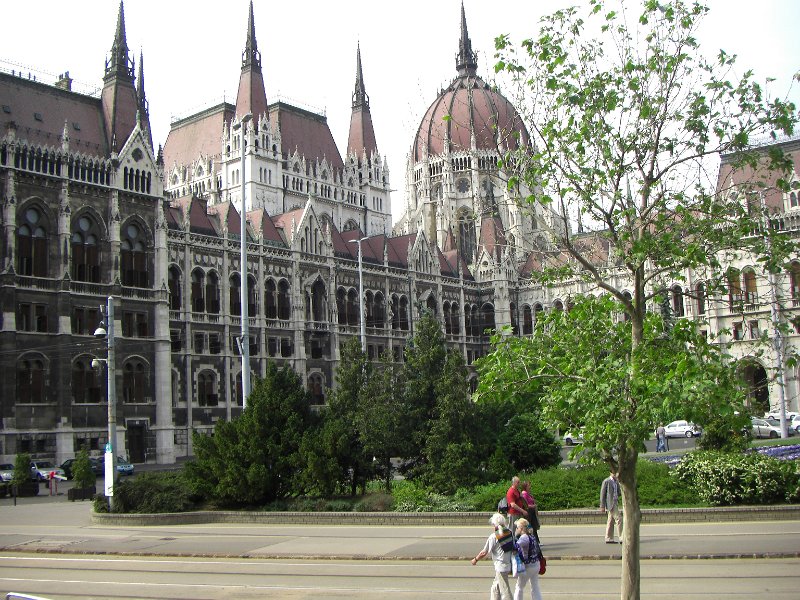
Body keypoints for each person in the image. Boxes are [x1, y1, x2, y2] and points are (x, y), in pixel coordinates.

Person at [471, 512, 513, 600]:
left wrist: (475, 559)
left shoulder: (494, 536)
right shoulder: (510, 533)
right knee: (495, 587)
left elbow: (484, 552)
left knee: (505, 590)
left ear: (494, 524)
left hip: (500, 566)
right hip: (508, 565)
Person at [513, 518, 543, 600]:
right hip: (536, 564)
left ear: (521, 528)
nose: (516, 529)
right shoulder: (532, 536)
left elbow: (515, 547)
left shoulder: (524, 538)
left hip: (528, 566)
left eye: (517, 528)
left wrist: (515, 536)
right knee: (535, 586)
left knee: (519, 587)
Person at [599, 470, 623, 543]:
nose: (615, 474)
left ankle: (609, 538)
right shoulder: (607, 481)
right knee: (619, 519)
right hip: (610, 503)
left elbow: (619, 492)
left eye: (616, 473)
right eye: (614, 473)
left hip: (615, 502)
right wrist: (602, 506)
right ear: (610, 473)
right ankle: (622, 537)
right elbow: (602, 494)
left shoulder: (616, 482)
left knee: (610, 520)